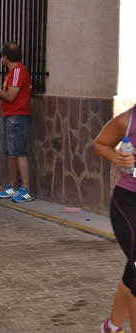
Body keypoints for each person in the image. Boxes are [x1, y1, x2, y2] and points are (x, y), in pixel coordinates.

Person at [95, 107, 136, 333]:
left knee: (133, 271)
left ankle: (112, 328)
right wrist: (118, 157)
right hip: (129, 203)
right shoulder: (128, 120)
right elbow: (101, 143)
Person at [0, 41, 34, 202]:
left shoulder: (18, 71)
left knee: (18, 153)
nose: (1, 60)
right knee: (12, 153)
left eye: (2, 57)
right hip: (10, 116)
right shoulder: (12, 73)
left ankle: (27, 189)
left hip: (17, 117)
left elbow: (11, 96)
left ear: (5, 56)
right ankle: (13, 186)